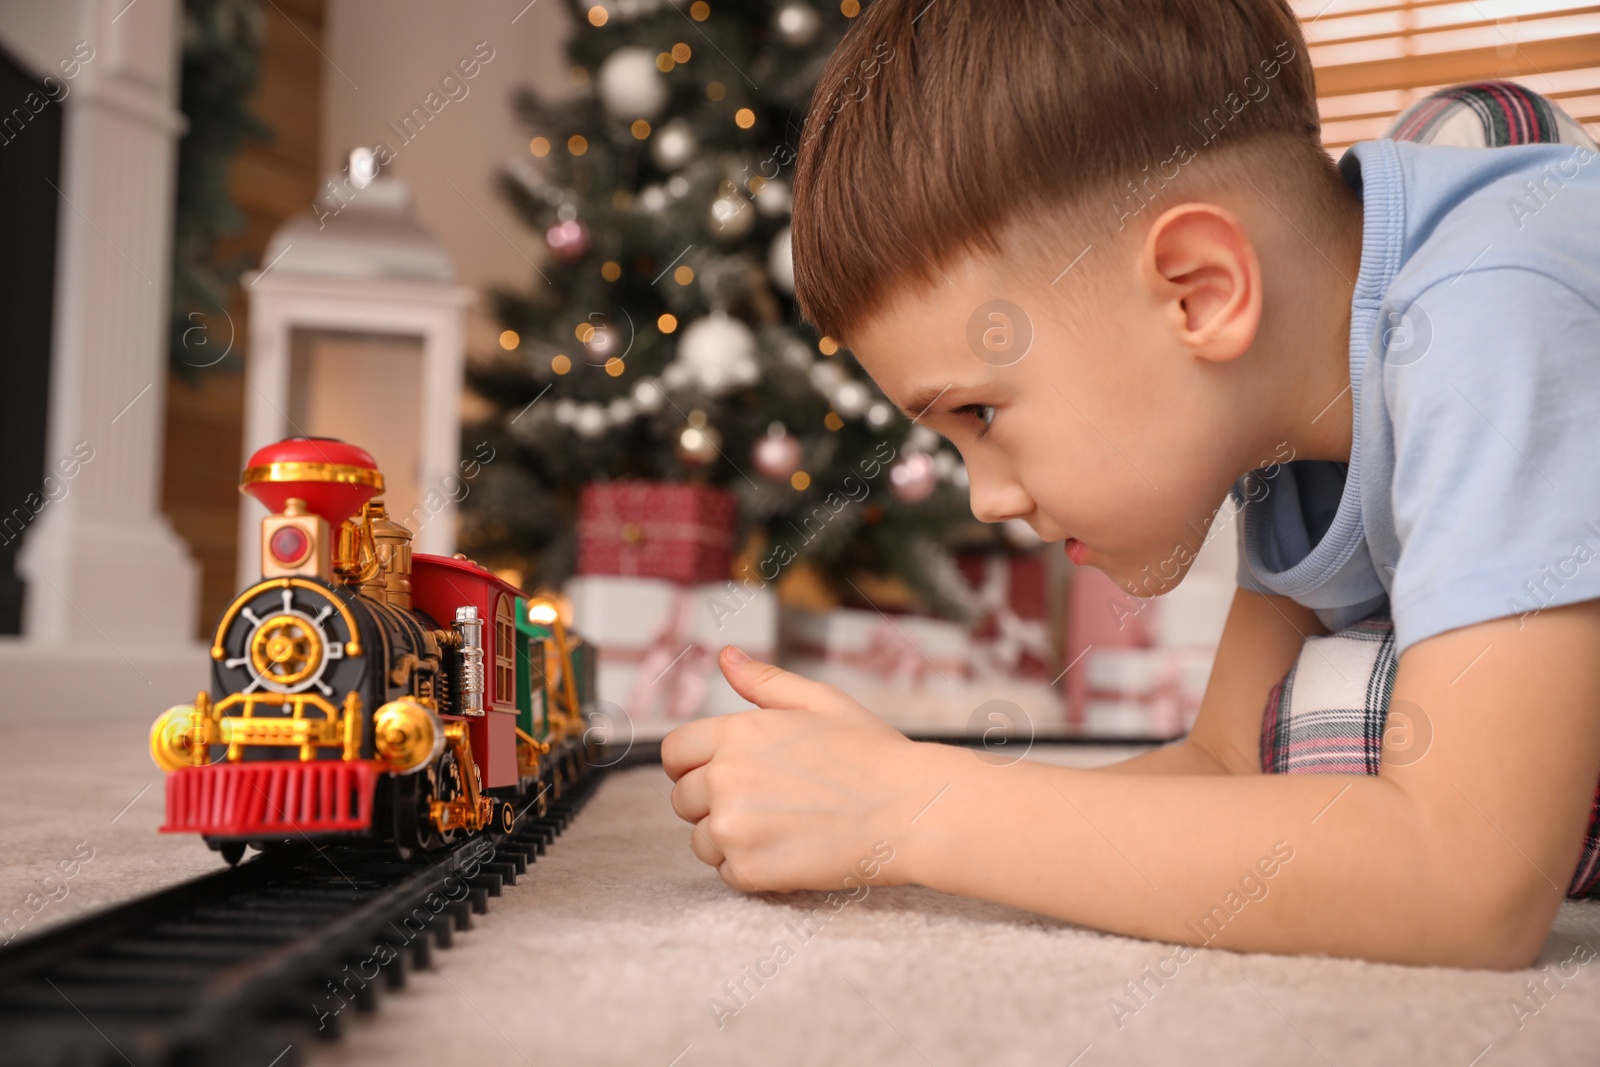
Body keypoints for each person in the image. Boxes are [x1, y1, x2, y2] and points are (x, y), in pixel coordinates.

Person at [661, 0, 1600, 969]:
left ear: (1200, 289)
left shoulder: (1493, 313)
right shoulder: (1293, 410)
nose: (983, 498)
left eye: (977, 414)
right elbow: (1220, 765)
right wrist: (880, 805)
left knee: (1352, 731)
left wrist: (919, 808)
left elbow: (1469, 883)